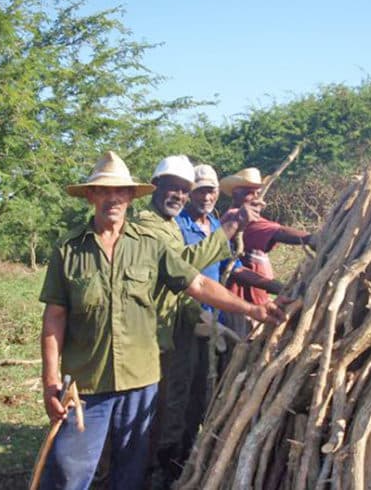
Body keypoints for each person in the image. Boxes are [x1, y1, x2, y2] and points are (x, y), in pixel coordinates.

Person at [38, 151, 285, 490]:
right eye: (104, 191)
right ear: (91, 195)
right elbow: (54, 316)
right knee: (69, 471)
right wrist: (50, 378)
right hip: (87, 383)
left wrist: (254, 310)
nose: (112, 198)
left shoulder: (149, 245)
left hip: (141, 377)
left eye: (120, 192)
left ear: (129, 196)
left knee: (131, 471)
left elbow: (196, 282)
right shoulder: (69, 250)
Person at [134, 156, 261, 488]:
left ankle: (177, 460)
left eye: (184, 188)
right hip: (167, 325)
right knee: (166, 400)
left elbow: (220, 271)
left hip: (198, 317)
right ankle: (155, 468)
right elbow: (188, 273)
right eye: (174, 188)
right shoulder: (158, 226)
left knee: (197, 394)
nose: (199, 196)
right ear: (155, 187)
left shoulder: (204, 223)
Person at [219, 167, 315, 335]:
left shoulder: (242, 217)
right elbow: (279, 232)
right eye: (250, 192)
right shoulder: (238, 217)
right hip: (243, 306)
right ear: (236, 195)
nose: (256, 197)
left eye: (258, 192)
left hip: (252, 304)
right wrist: (314, 239)